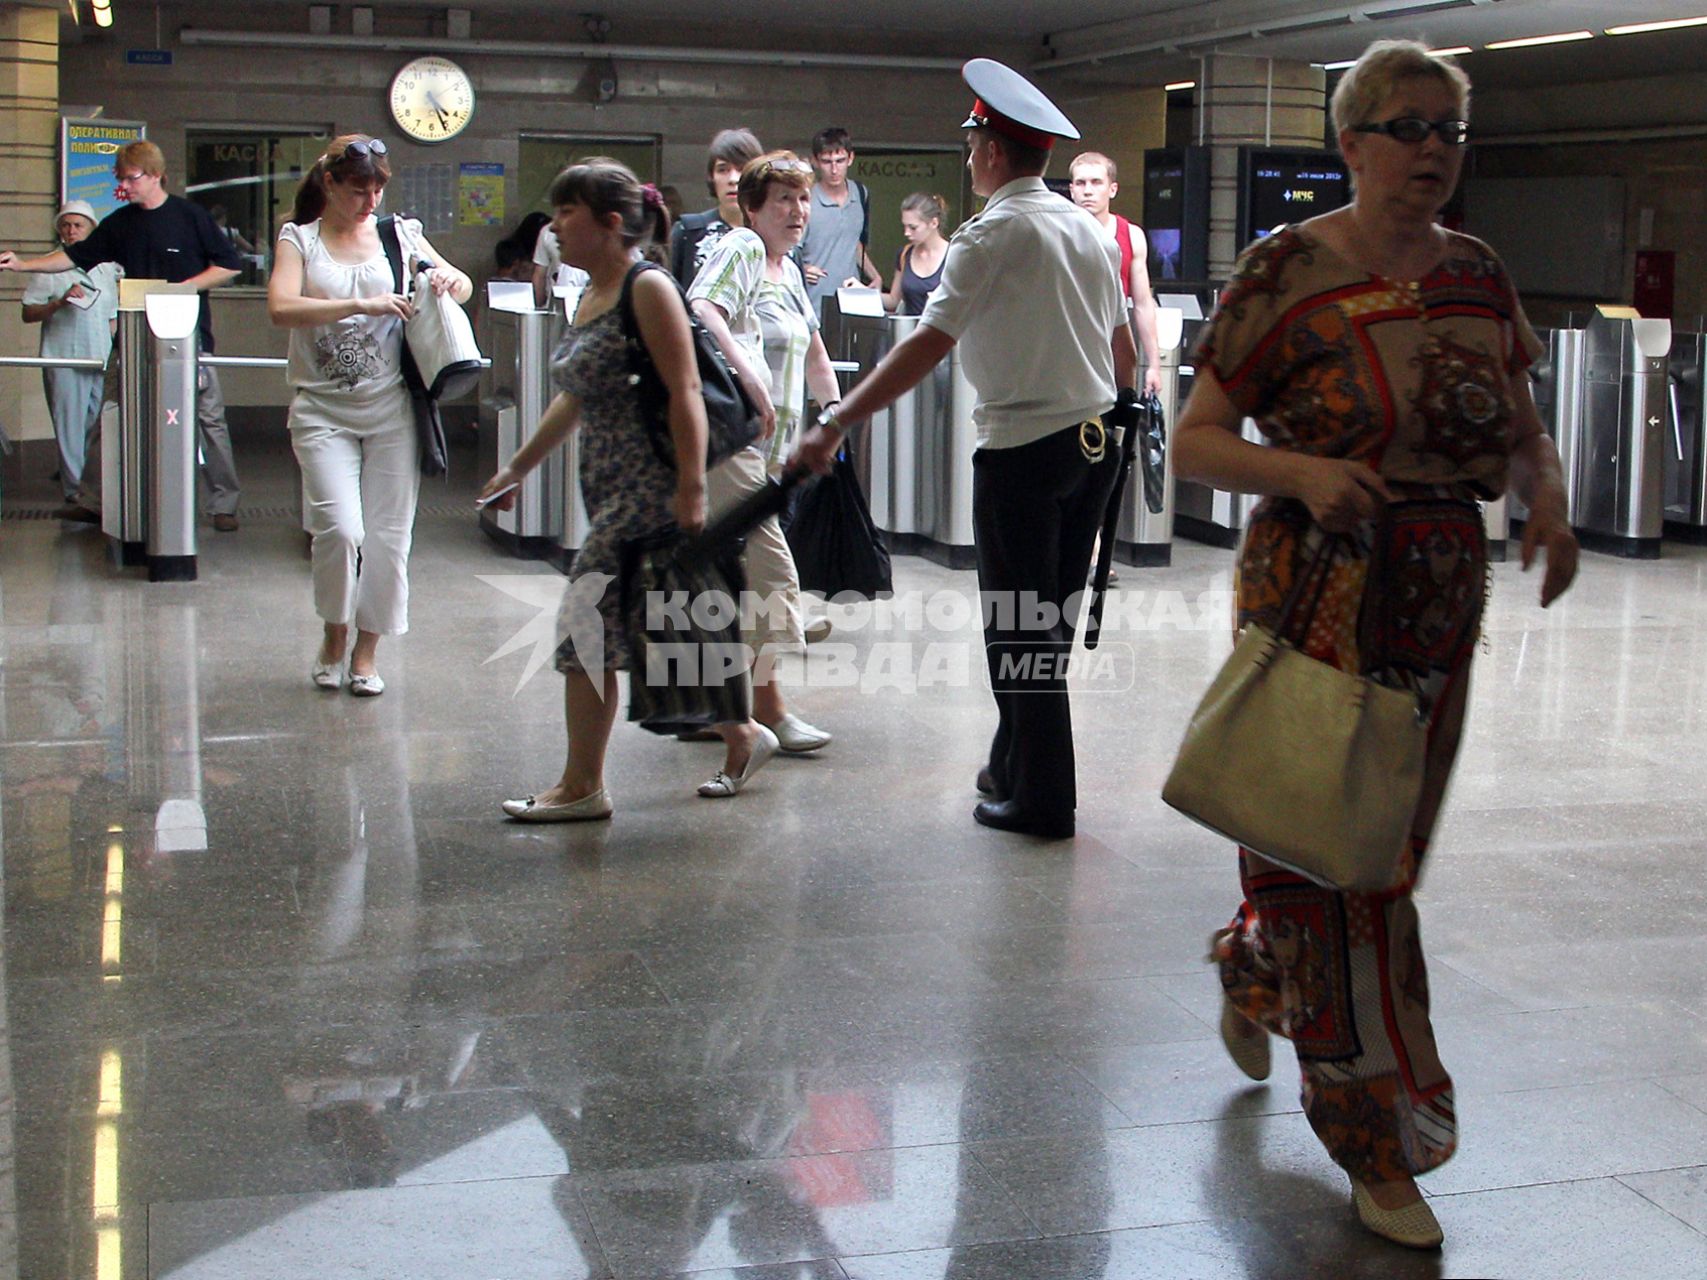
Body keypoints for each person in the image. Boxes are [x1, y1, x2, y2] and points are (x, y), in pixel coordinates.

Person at [1171, 40, 1579, 1251]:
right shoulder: (1282, 271)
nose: (1433, 152)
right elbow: (1196, 440)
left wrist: (1543, 500)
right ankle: (1378, 1135)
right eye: (1408, 128)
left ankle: (1255, 967)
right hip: (1316, 595)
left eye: (1450, 131)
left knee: (1372, 852)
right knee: (1345, 878)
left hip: (1440, 603)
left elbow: (1518, 419)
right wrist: (1297, 468)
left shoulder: (1479, 274)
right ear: (1349, 143)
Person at [793, 60, 1137, 840]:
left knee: (1019, 629)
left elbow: (925, 346)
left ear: (988, 151)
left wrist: (839, 419)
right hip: (1093, 445)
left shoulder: (990, 235)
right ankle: (1012, 763)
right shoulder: (1084, 229)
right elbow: (1121, 347)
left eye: (974, 138)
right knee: (1044, 622)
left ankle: (1042, 800)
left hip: (1023, 450)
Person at [479, 159, 779, 818]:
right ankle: (743, 733)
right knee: (657, 635)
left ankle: (582, 785)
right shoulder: (591, 293)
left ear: (609, 223)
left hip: (651, 496)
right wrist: (518, 467)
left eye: (566, 213)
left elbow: (686, 389)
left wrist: (694, 490)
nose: (554, 226)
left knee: (583, 630)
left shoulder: (648, 287)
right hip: (610, 493)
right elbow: (575, 397)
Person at [267, 134, 473, 696]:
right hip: (321, 407)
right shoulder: (300, 239)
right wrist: (362, 303)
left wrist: (451, 281)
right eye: (359, 190)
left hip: (392, 408)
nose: (370, 201)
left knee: (388, 538)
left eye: (378, 188)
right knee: (338, 528)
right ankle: (334, 632)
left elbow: (462, 282)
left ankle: (366, 652)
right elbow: (282, 307)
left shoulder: (399, 235)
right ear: (329, 185)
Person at [0, 141, 245, 530]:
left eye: (130, 178)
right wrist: (23, 264)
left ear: (154, 175)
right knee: (109, 412)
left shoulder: (190, 217)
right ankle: (92, 498)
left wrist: (182, 288)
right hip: (131, 338)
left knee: (207, 418)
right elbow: (75, 255)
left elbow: (229, 265)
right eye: (121, 179)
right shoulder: (121, 222)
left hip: (189, 336)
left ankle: (224, 503)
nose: (124, 186)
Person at [688, 151, 840, 757]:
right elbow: (702, 309)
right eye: (782, 198)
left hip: (772, 451)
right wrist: (750, 378)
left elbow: (815, 355)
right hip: (733, 441)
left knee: (731, 580)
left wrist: (834, 420)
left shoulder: (787, 270)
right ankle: (770, 707)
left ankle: (716, 705)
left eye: (802, 199)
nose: (797, 210)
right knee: (771, 573)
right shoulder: (744, 249)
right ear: (752, 207)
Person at [19, 201, 121, 517]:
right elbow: (28, 312)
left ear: (91, 229)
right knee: (69, 425)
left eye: (78, 225)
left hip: (98, 359)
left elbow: (111, 315)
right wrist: (59, 304)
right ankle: (74, 492)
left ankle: (88, 485)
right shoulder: (50, 266)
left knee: (94, 424)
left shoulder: (106, 268)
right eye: (66, 225)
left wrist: (114, 351)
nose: (71, 231)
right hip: (63, 357)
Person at [1068, 151, 1162, 396]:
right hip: (1069, 348)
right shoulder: (1059, 234)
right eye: (1081, 183)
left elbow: (1143, 303)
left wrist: (1154, 363)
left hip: (1115, 347)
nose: (1088, 191)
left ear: (1112, 189)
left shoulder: (1131, 235)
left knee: (1119, 423)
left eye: (1096, 182)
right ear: (1072, 190)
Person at [798, 126, 881, 316]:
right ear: (815, 162)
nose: (834, 170)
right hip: (813, 303)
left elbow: (853, 242)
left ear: (850, 159)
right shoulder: (805, 198)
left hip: (851, 300)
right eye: (827, 162)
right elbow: (786, 250)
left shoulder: (860, 193)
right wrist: (802, 268)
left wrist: (875, 276)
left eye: (840, 161)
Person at [669, 127, 765, 289]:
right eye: (723, 170)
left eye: (741, 169)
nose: (733, 179)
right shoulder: (688, 231)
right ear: (711, 177)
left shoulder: (777, 237)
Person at [880, 192, 949, 315]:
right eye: (904, 226)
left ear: (934, 223)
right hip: (910, 330)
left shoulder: (954, 255)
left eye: (913, 227)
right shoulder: (905, 254)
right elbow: (893, 300)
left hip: (942, 331)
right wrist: (861, 292)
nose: (906, 233)